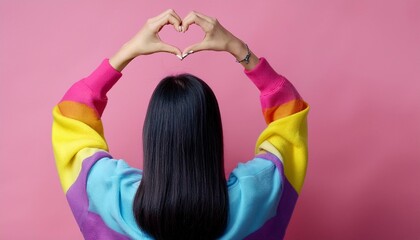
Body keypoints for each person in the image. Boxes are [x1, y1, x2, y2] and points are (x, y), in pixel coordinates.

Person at [52, 9, 309, 240]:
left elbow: (71, 116)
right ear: (212, 135)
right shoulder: (256, 193)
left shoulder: (109, 195)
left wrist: (128, 51)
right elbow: (289, 117)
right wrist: (236, 47)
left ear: (152, 135)